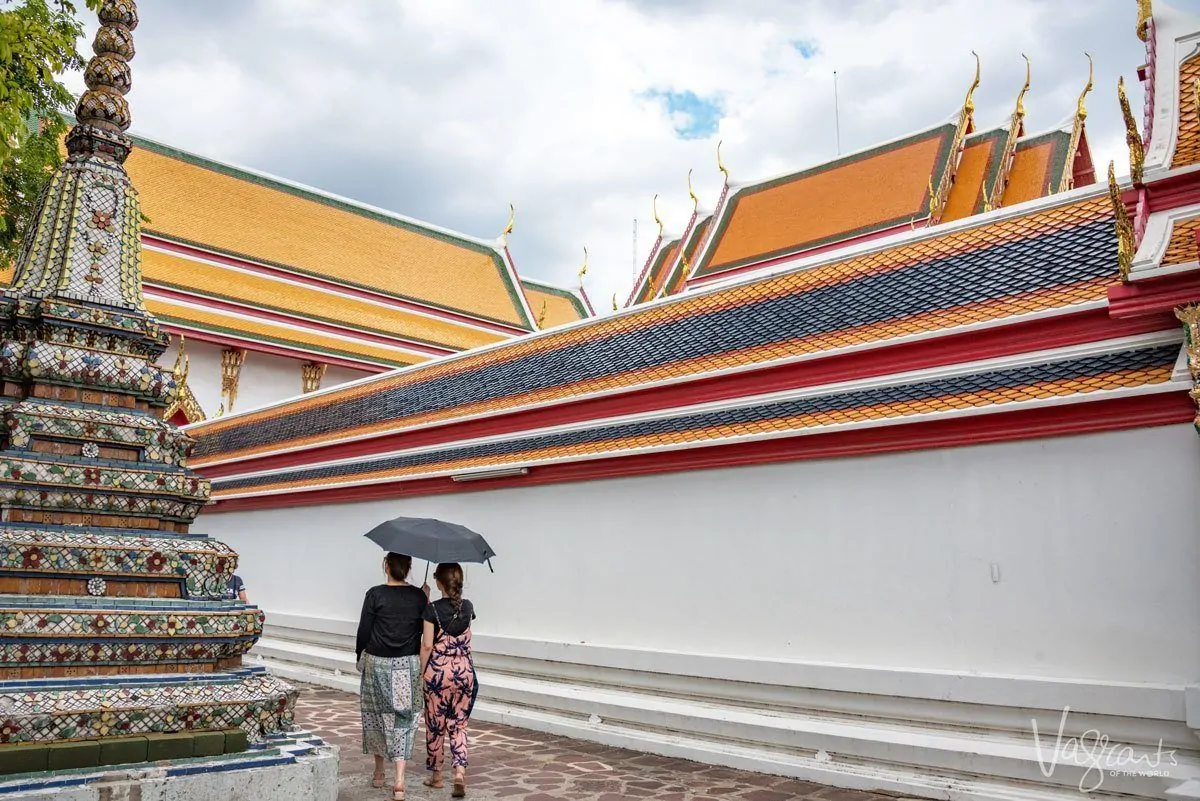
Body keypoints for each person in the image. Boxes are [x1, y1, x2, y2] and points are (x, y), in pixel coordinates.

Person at [356, 552, 430, 801]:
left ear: (386, 566)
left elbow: (364, 629)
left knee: (376, 715)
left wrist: (360, 656)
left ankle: (379, 772)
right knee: (403, 718)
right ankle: (399, 781)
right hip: (406, 664)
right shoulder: (419, 596)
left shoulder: (375, 593)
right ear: (408, 567)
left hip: (377, 662)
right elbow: (423, 631)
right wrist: (425, 600)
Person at [420, 563, 478, 798]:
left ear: (439, 583)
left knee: (436, 725)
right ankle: (459, 772)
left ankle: (436, 777)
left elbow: (426, 645)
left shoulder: (431, 610)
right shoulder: (468, 607)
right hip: (464, 672)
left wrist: (422, 673)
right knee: (459, 724)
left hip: (439, 674)